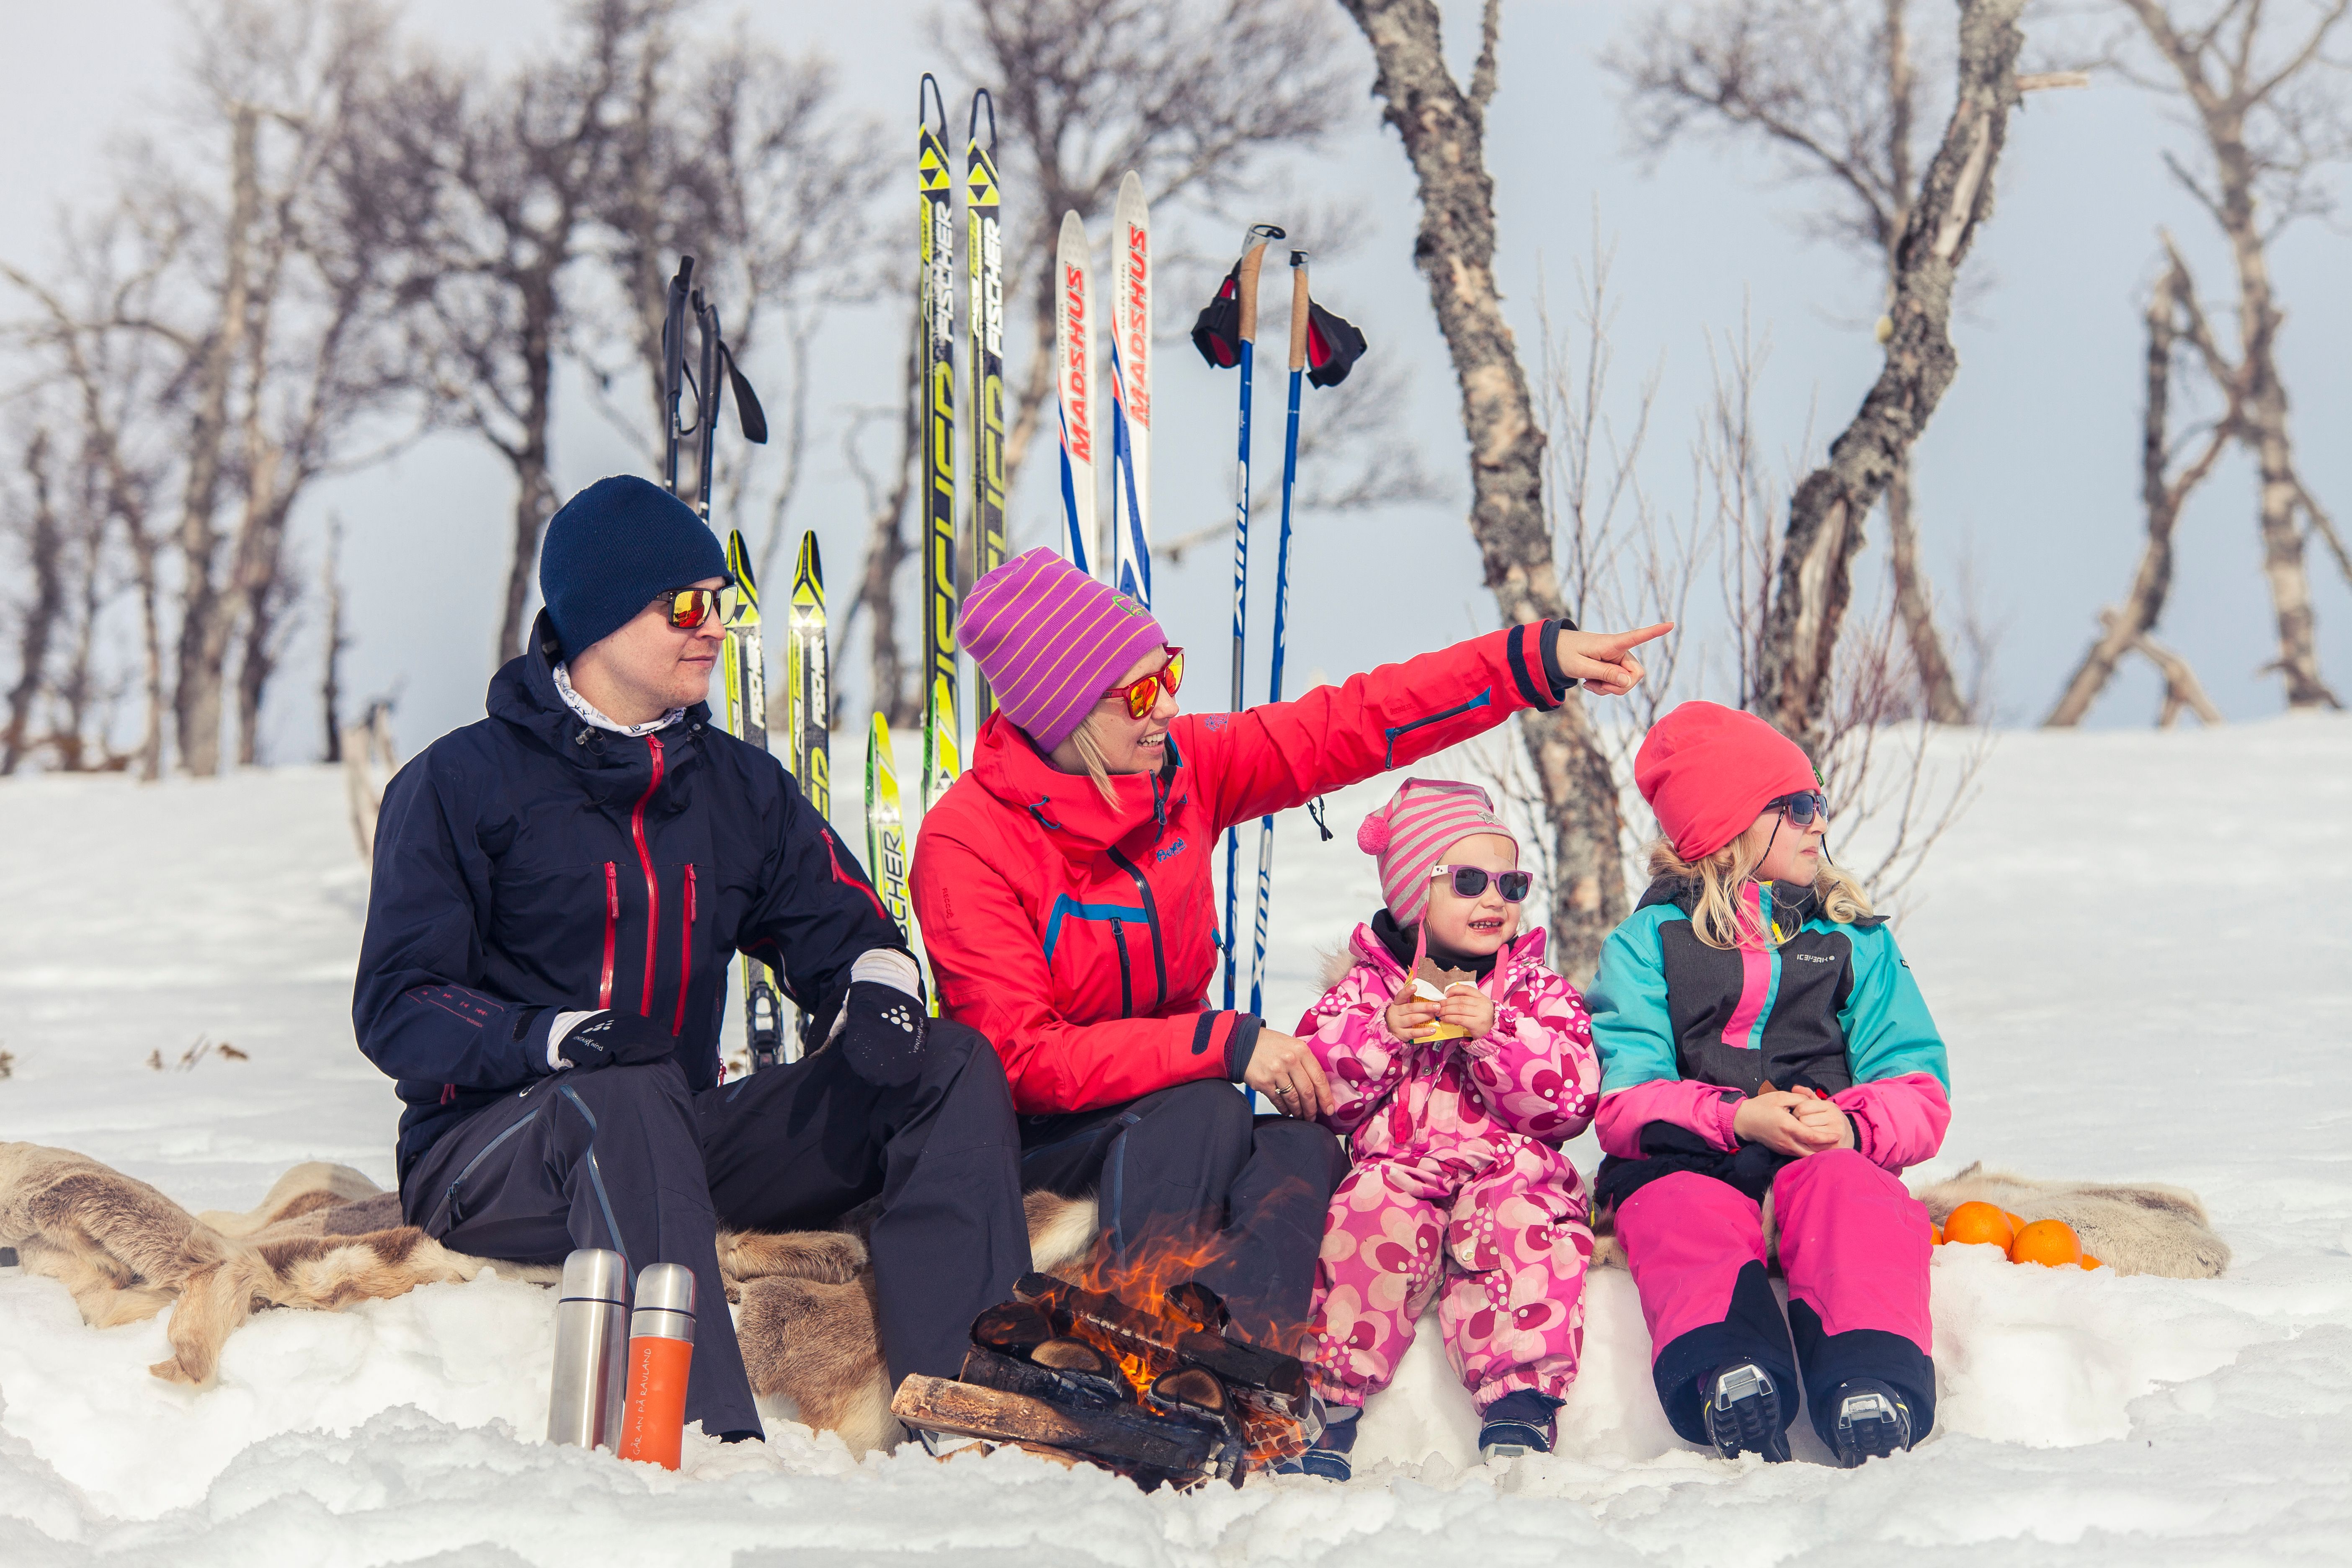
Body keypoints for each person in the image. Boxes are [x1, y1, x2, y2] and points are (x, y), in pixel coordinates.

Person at [353, 475, 1029, 1446]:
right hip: (492, 1157)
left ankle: (967, 1406)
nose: (714, 626)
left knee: (949, 1061)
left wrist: (875, 988)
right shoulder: (461, 783)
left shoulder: (735, 788)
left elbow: (841, 924)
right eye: (686, 605)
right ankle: (710, 1443)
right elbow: (399, 1004)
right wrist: (552, 1039)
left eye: (720, 602)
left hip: (673, 1137)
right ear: (596, 617)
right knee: (621, 1092)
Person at [909, 545, 1664, 1354]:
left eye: (1169, 673)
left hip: (1174, 1103)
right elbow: (1022, 1059)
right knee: (1204, 1105)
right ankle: (1129, 1350)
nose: (1167, 706)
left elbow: (1356, 721)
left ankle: (1236, 1357)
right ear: (1064, 717)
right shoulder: (968, 842)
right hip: (1054, 1131)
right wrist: (1222, 1043)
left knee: (1302, 1146)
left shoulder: (1183, 770)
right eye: (1139, 693)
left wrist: (1529, 661)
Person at [1585, 700, 1950, 1468]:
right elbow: (1623, 1103)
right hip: (1692, 1153)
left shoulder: (1854, 943)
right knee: (1677, 1210)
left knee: (1858, 1197)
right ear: (1730, 827)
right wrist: (1736, 1118)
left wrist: (1851, 1127)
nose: (1820, 822)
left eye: (1819, 803)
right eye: (1798, 806)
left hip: (1823, 1153)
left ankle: (1870, 1380)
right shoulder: (1647, 946)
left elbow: (1917, 1088)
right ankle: (1729, 1374)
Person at [1287, 779, 1601, 1479]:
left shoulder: (1538, 992)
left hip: (1504, 1165)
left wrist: (1499, 1036)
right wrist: (1381, 1036)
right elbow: (1314, 1091)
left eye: (1511, 883)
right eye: (1468, 881)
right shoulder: (1365, 991)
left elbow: (1572, 1100)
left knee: (1523, 1214)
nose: (1495, 899)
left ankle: (1522, 1396)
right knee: (1367, 1212)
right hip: (1399, 1168)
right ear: (1411, 894)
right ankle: (1329, 1399)